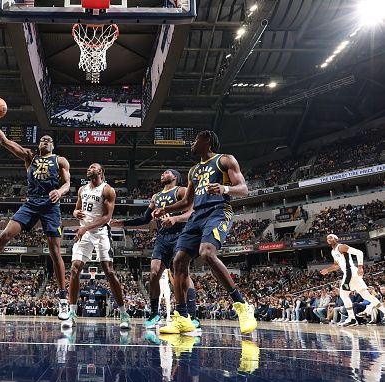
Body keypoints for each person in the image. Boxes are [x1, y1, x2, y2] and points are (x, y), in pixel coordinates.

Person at [0, 114, 71, 320]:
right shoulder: (29, 157)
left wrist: (60, 191)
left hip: (51, 206)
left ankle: (63, 299)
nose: (46, 141)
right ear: (39, 144)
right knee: (5, 234)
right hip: (32, 202)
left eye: (49, 140)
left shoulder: (60, 160)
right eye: (42, 139)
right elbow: (4, 142)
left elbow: (68, 183)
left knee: (54, 250)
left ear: (53, 146)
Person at [152, 130, 257, 334]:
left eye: (195, 140)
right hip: (197, 215)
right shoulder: (193, 171)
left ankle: (242, 306)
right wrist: (166, 209)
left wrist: (224, 189)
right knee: (178, 260)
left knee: (207, 252)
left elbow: (243, 189)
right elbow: (187, 202)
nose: (192, 144)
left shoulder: (224, 160)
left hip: (218, 211)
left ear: (207, 140)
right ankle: (183, 317)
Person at [112, 169, 198, 331]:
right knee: (153, 273)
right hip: (162, 237)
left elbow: (192, 212)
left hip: (181, 234)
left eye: (166, 173)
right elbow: (145, 219)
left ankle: (192, 316)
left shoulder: (181, 190)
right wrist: (123, 223)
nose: (162, 175)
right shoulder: (156, 197)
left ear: (174, 177)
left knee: (182, 273)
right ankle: (154, 314)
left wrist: (175, 218)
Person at [62, 163, 129, 329]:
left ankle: (123, 313)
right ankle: (72, 313)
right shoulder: (82, 190)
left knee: (109, 271)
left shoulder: (107, 190)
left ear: (100, 171)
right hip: (84, 232)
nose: (88, 168)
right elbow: (76, 209)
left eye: (92, 167)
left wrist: (85, 227)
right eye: (88, 167)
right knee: (74, 269)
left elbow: (107, 217)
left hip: (100, 233)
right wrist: (75, 213)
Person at [320, 234, 385, 327]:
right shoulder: (333, 251)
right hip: (350, 274)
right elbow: (336, 266)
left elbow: (359, 252)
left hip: (350, 272)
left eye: (331, 237)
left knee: (343, 294)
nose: (329, 239)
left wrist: (360, 267)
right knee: (366, 295)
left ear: (336, 239)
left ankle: (352, 319)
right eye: (327, 238)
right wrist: (327, 270)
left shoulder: (341, 247)